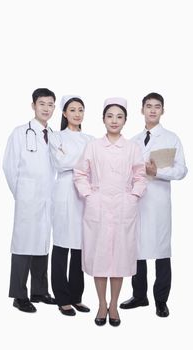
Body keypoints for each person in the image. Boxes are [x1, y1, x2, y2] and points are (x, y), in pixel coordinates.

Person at [73, 97, 147, 326]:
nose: (114, 121)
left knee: (120, 259)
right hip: (99, 205)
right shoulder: (93, 146)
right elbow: (80, 173)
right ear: (103, 119)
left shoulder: (133, 147)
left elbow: (140, 175)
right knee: (100, 258)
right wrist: (89, 195)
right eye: (110, 116)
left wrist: (133, 196)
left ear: (125, 120)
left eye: (119, 116)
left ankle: (114, 304)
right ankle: (101, 304)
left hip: (124, 206)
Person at [120, 92, 188, 317]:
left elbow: (181, 171)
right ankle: (139, 296)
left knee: (161, 252)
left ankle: (161, 300)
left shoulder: (171, 138)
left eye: (157, 107)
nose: (152, 110)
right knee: (136, 249)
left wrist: (157, 171)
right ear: (141, 110)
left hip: (158, 203)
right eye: (148, 106)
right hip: (137, 201)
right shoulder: (133, 141)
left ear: (163, 110)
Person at [3, 88, 57, 313]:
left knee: (42, 245)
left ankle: (39, 291)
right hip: (27, 199)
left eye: (50, 104)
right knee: (24, 246)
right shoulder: (19, 132)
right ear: (33, 105)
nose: (46, 108)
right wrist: (22, 194)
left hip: (47, 199)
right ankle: (18, 294)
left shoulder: (53, 135)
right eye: (42, 103)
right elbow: (8, 166)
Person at [49, 95, 93, 316]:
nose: (77, 114)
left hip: (85, 194)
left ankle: (76, 296)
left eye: (81, 110)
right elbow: (60, 163)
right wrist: (84, 161)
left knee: (80, 246)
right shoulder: (56, 137)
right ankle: (61, 297)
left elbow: (96, 166)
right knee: (61, 245)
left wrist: (74, 160)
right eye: (72, 110)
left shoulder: (90, 139)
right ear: (64, 113)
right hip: (65, 192)